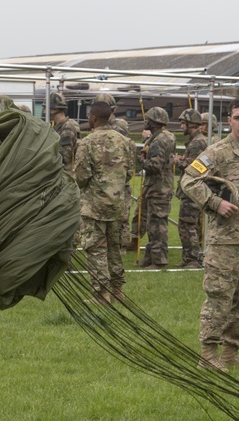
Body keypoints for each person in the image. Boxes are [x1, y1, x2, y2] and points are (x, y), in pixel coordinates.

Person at [180, 97, 239, 370]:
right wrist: (215, 202)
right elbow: (189, 180)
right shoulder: (217, 152)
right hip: (226, 241)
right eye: (238, 118)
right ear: (229, 121)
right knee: (219, 297)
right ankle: (208, 355)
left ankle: (230, 354)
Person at [74, 100, 135, 302]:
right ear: (110, 117)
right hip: (117, 205)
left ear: (92, 118)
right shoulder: (125, 142)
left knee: (96, 249)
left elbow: (81, 177)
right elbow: (129, 174)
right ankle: (117, 291)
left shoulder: (87, 143)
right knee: (114, 250)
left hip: (94, 206)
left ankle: (101, 294)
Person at [133, 106, 175, 268]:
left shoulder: (158, 141)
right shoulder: (165, 137)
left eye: (148, 119)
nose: (145, 121)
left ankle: (159, 261)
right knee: (152, 223)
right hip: (159, 187)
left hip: (158, 188)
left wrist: (142, 161)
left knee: (157, 225)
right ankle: (150, 258)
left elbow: (155, 166)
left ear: (153, 122)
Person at [174, 108, 207, 268]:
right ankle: (189, 258)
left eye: (183, 123)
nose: (181, 127)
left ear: (191, 124)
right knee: (189, 225)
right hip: (193, 189)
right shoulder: (197, 141)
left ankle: (192, 259)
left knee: (188, 225)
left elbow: (196, 167)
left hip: (193, 190)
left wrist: (178, 161)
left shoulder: (197, 143)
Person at [48, 92, 79, 172]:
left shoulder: (67, 128)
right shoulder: (58, 126)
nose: (45, 111)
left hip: (63, 175)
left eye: (47, 108)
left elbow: (63, 156)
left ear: (55, 109)